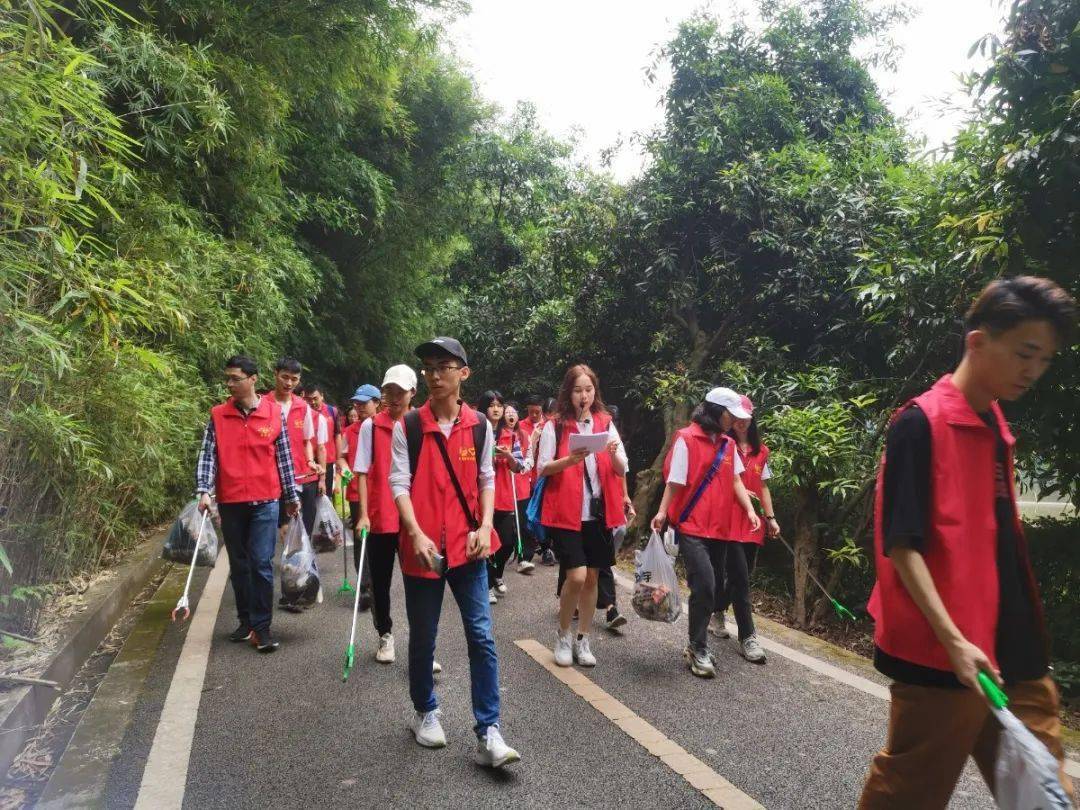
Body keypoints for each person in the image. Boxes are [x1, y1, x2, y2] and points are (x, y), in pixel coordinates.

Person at [859, 277, 1076, 809]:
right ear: (978, 342)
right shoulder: (919, 423)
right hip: (946, 657)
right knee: (908, 794)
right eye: (1026, 353)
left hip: (1016, 651)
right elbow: (901, 544)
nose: (1034, 370)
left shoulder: (994, 419)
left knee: (1045, 793)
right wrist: (954, 640)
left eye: (1044, 359)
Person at [391, 337, 520, 767]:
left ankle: (489, 732)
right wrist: (415, 533)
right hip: (422, 551)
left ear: (464, 373)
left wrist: (485, 526)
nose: (434, 375)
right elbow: (399, 484)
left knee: (481, 637)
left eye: (444, 367)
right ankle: (425, 711)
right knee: (424, 637)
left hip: (469, 549)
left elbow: (486, 478)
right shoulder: (408, 425)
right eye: (429, 368)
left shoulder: (480, 426)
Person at [651, 388, 760, 678]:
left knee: (711, 587)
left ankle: (696, 645)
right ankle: (698, 647)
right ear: (714, 411)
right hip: (692, 526)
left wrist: (749, 510)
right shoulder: (686, 439)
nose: (734, 422)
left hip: (720, 529)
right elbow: (674, 481)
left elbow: (736, 480)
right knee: (706, 584)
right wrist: (662, 512)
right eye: (730, 415)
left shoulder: (727, 443)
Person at [195, 355, 300, 653]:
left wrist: (291, 496)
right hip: (231, 502)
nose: (229, 384)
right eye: (227, 378)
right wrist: (204, 489)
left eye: (235, 378)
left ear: (252, 379)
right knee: (239, 566)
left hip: (265, 501)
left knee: (262, 564)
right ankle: (245, 621)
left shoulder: (272, 413)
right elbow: (208, 455)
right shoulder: (218, 415)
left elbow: (284, 458)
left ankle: (262, 627)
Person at [539, 364, 629, 669]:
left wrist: (613, 451)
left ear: (595, 391)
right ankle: (563, 634)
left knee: (592, 577)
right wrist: (569, 459)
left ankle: (583, 638)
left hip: (597, 513)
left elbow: (621, 468)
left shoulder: (605, 422)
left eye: (588, 389)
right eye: (578, 390)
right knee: (576, 574)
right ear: (568, 392)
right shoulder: (557, 425)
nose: (584, 395)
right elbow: (542, 468)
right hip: (567, 514)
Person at [353, 367, 436, 668]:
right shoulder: (371, 426)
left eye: (399, 392)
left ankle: (423, 645)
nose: (393, 398)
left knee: (420, 582)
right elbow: (362, 472)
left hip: (415, 518)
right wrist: (362, 514)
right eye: (388, 391)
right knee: (382, 581)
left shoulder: (422, 424)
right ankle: (385, 634)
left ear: (413, 392)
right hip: (381, 516)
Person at [710, 394, 777, 663]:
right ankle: (748, 637)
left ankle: (717, 609)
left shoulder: (762, 451)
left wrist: (770, 517)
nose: (741, 423)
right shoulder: (723, 446)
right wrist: (737, 491)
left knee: (742, 575)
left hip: (753, 523)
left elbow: (763, 486)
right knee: (740, 577)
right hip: (729, 521)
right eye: (736, 417)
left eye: (746, 418)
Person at [270, 358, 329, 613]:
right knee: (288, 535)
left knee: (303, 535)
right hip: (278, 481)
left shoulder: (302, 407)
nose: (289, 383)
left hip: (304, 478)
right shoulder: (264, 405)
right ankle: (294, 589)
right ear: (276, 375)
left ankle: (304, 584)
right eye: (285, 377)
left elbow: (308, 441)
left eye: (294, 380)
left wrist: (310, 461)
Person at [479, 392, 528, 604]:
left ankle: (496, 575)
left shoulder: (511, 435)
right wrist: (490, 453)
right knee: (488, 543)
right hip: (483, 497)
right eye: (491, 405)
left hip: (505, 496)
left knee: (507, 542)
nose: (496, 409)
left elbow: (519, 467)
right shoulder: (477, 431)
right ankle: (488, 585)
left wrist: (507, 456)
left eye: (499, 405)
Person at [340, 384, 381, 610]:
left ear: (377, 403)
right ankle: (364, 587)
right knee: (361, 539)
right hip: (357, 492)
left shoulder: (386, 427)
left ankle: (376, 584)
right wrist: (345, 468)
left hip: (383, 495)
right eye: (357, 403)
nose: (359, 407)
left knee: (379, 541)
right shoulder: (350, 431)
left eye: (364, 403)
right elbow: (342, 457)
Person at [503, 404, 537, 574]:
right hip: (504, 486)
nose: (510, 416)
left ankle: (524, 558)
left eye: (513, 413)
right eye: (507, 413)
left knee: (523, 523)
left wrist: (522, 467)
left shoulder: (524, 435)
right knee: (508, 525)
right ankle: (507, 554)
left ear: (517, 416)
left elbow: (530, 457)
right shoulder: (498, 435)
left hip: (521, 484)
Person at [305, 385, 341, 497]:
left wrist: (339, 458)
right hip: (310, 461)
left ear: (322, 396)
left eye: (315, 398)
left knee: (326, 494)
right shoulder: (304, 413)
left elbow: (337, 435)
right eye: (309, 399)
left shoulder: (332, 411)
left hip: (328, 460)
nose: (312, 402)